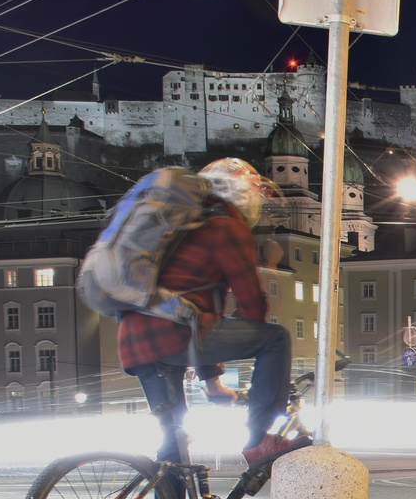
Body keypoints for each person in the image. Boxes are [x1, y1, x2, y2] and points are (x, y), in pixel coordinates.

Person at [115, 158, 299, 465]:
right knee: (275, 338)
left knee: (173, 445)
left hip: (136, 341)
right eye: (254, 192)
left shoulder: (182, 225)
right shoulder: (226, 226)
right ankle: (258, 440)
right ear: (239, 193)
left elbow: (198, 314)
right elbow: (251, 304)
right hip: (171, 334)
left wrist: (213, 382)